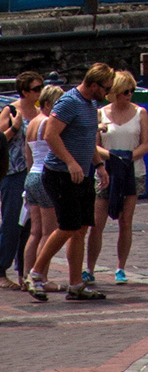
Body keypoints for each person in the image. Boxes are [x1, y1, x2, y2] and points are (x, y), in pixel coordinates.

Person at [27, 65, 113, 303]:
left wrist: (98, 166)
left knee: (81, 229)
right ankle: (35, 273)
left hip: (83, 175)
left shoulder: (91, 104)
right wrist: (71, 163)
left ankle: (76, 285)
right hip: (60, 174)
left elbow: (87, 141)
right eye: (106, 88)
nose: (108, 93)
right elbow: (51, 135)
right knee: (67, 226)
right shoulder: (69, 102)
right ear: (94, 85)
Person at [87, 76, 147, 288]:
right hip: (106, 171)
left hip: (133, 171)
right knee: (97, 223)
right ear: (114, 92)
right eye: (124, 91)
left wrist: (128, 157)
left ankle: (121, 267)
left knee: (126, 221)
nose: (128, 95)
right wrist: (112, 156)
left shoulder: (141, 113)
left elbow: (146, 144)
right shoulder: (100, 114)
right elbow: (94, 146)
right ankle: (90, 268)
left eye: (131, 90)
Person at [0, 67, 42, 288]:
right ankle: (1, 269)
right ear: (24, 91)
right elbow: (0, 141)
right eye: (36, 89)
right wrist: (15, 128)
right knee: (11, 223)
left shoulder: (38, 113)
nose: (40, 92)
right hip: (13, 172)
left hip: (33, 173)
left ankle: (23, 271)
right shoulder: (11, 111)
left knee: (30, 224)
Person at [21, 88, 58, 284]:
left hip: (32, 175)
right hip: (45, 175)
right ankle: (41, 277)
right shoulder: (47, 122)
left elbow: (28, 155)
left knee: (34, 231)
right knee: (48, 232)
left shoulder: (32, 123)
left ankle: (27, 275)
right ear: (48, 104)